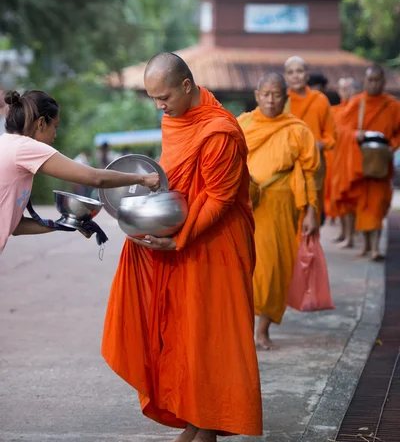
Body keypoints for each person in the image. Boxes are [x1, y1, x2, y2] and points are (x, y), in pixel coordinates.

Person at [102, 53, 262, 442]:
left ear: (186, 86)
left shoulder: (218, 132)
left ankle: (206, 426)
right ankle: (194, 420)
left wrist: (179, 239)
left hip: (216, 243)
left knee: (211, 335)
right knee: (181, 333)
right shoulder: (176, 120)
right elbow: (170, 176)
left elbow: (220, 201)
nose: (160, 106)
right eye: (154, 98)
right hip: (183, 232)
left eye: (164, 97)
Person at [0, 90, 160, 255]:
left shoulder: (8, 143)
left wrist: (69, 223)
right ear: (41, 123)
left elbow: (16, 226)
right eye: (55, 126)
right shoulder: (25, 148)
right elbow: (95, 178)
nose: (55, 134)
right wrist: (142, 178)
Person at [238, 73, 319, 350]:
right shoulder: (242, 124)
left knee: (275, 268)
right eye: (266, 94)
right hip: (246, 205)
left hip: (282, 205)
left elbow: (310, 173)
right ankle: (241, 329)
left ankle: (263, 330)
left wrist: (311, 211)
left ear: (285, 98)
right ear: (257, 95)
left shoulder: (297, 129)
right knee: (244, 268)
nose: (271, 100)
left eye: (277, 95)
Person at [333, 65, 400, 260]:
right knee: (362, 206)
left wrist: (392, 146)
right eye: (370, 80)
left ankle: (375, 248)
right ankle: (367, 246)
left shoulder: (393, 105)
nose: (374, 84)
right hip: (360, 164)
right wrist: (355, 135)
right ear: (365, 81)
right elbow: (340, 129)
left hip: (380, 164)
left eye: (377, 80)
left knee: (378, 206)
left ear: (383, 82)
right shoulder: (356, 103)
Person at [284, 57, 336, 225]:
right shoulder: (281, 100)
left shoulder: (320, 100)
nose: (295, 76)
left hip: (313, 165)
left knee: (311, 216)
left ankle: (308, 250)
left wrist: (320, 144)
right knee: (288, 217)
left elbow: (332, 136)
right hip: (286, 166)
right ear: (285, 77)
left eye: (299, 71)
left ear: (307, 75)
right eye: (290, 72)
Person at [329, 78, 357, 246]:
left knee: (351, 199)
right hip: (336, 159)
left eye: (348, 87)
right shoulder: (334, 111)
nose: (345, 91)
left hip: (353, 159)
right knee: (339, 198)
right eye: (342, 88)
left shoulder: (358, 109)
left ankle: (351, 236)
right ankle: (343, 232)